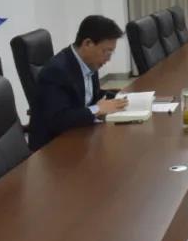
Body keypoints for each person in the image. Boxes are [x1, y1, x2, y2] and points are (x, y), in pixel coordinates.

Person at [28, 15, 129, 150]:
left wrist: (121, 97)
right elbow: (58, 119)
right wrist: (98, 109)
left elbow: (90, 95)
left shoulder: (89, 62)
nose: (108, 59)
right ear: (88, 44)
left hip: (79, 135)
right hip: (52, 148)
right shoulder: (56, 71)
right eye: (106, 52)